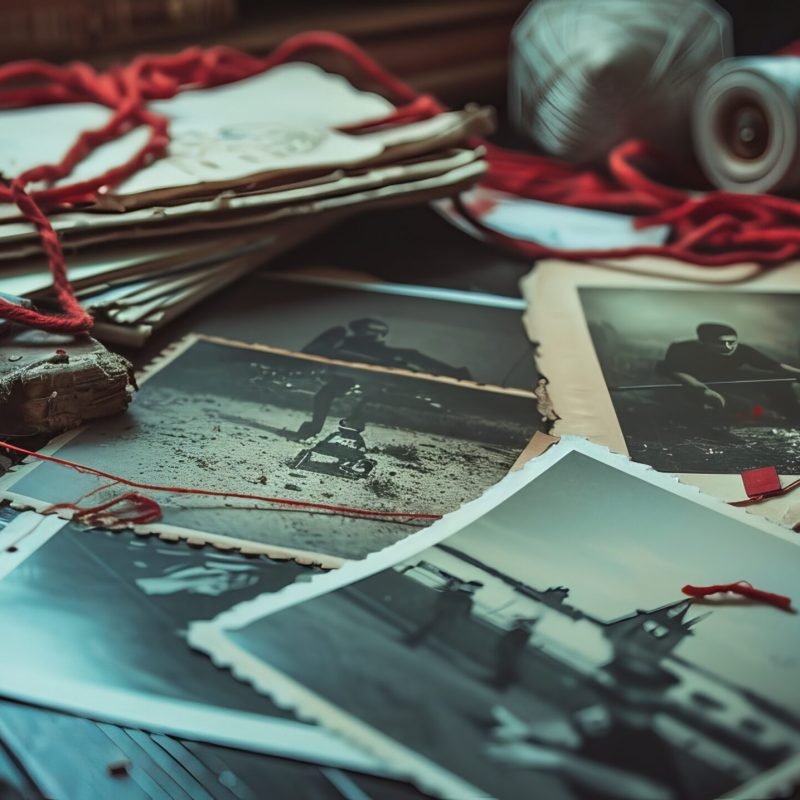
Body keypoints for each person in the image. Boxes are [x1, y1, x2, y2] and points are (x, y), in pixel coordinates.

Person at [657, 322, 800, 419]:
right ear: (703, 342)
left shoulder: (742, 349)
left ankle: (792, 415)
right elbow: (676, 373)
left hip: (726, 378)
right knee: (734, 407)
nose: (728, 347)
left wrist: (797, 374)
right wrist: (703, 391)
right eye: (720, 342)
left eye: (732, 342)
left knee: (776, 381)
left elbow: (776, 366)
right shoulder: (682, 349)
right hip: (689, 382)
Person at [303, 318, 473, 380]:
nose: (379, 336)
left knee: (410, 355)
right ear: (360, 330)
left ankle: (455, 375)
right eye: (373, 331)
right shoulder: (341, 338)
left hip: (380, 362)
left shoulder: (382, 348)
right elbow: (317, 351)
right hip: (354, 366)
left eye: (382, 333)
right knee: (405, 361)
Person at [405, 578, 483, 647]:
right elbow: (460, 599)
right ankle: (413, 641)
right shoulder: (465, 592)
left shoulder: (462, 590)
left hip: (443, 610)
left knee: (428, 627)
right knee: (429, 628)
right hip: (445, 612)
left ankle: (412, 640)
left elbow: (445, 592)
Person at [491, 617, 537, 690]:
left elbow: (514, 643)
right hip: (509, 650)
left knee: (506, 666)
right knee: (505, 665)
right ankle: (500, 683)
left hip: (510, 651)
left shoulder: (521, 632)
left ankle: (500, 683)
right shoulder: (522, 631)